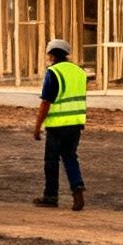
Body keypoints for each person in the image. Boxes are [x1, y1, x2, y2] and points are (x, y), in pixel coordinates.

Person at [32, 38, 87, 210]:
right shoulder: (79, 72)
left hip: (57, 125)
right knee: (70, 157)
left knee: (51, 160)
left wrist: (37, 126)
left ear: (51, 55)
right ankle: (77, 188)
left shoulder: (53, 72)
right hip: (76, 123)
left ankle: (50, 196)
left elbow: (46, 102)